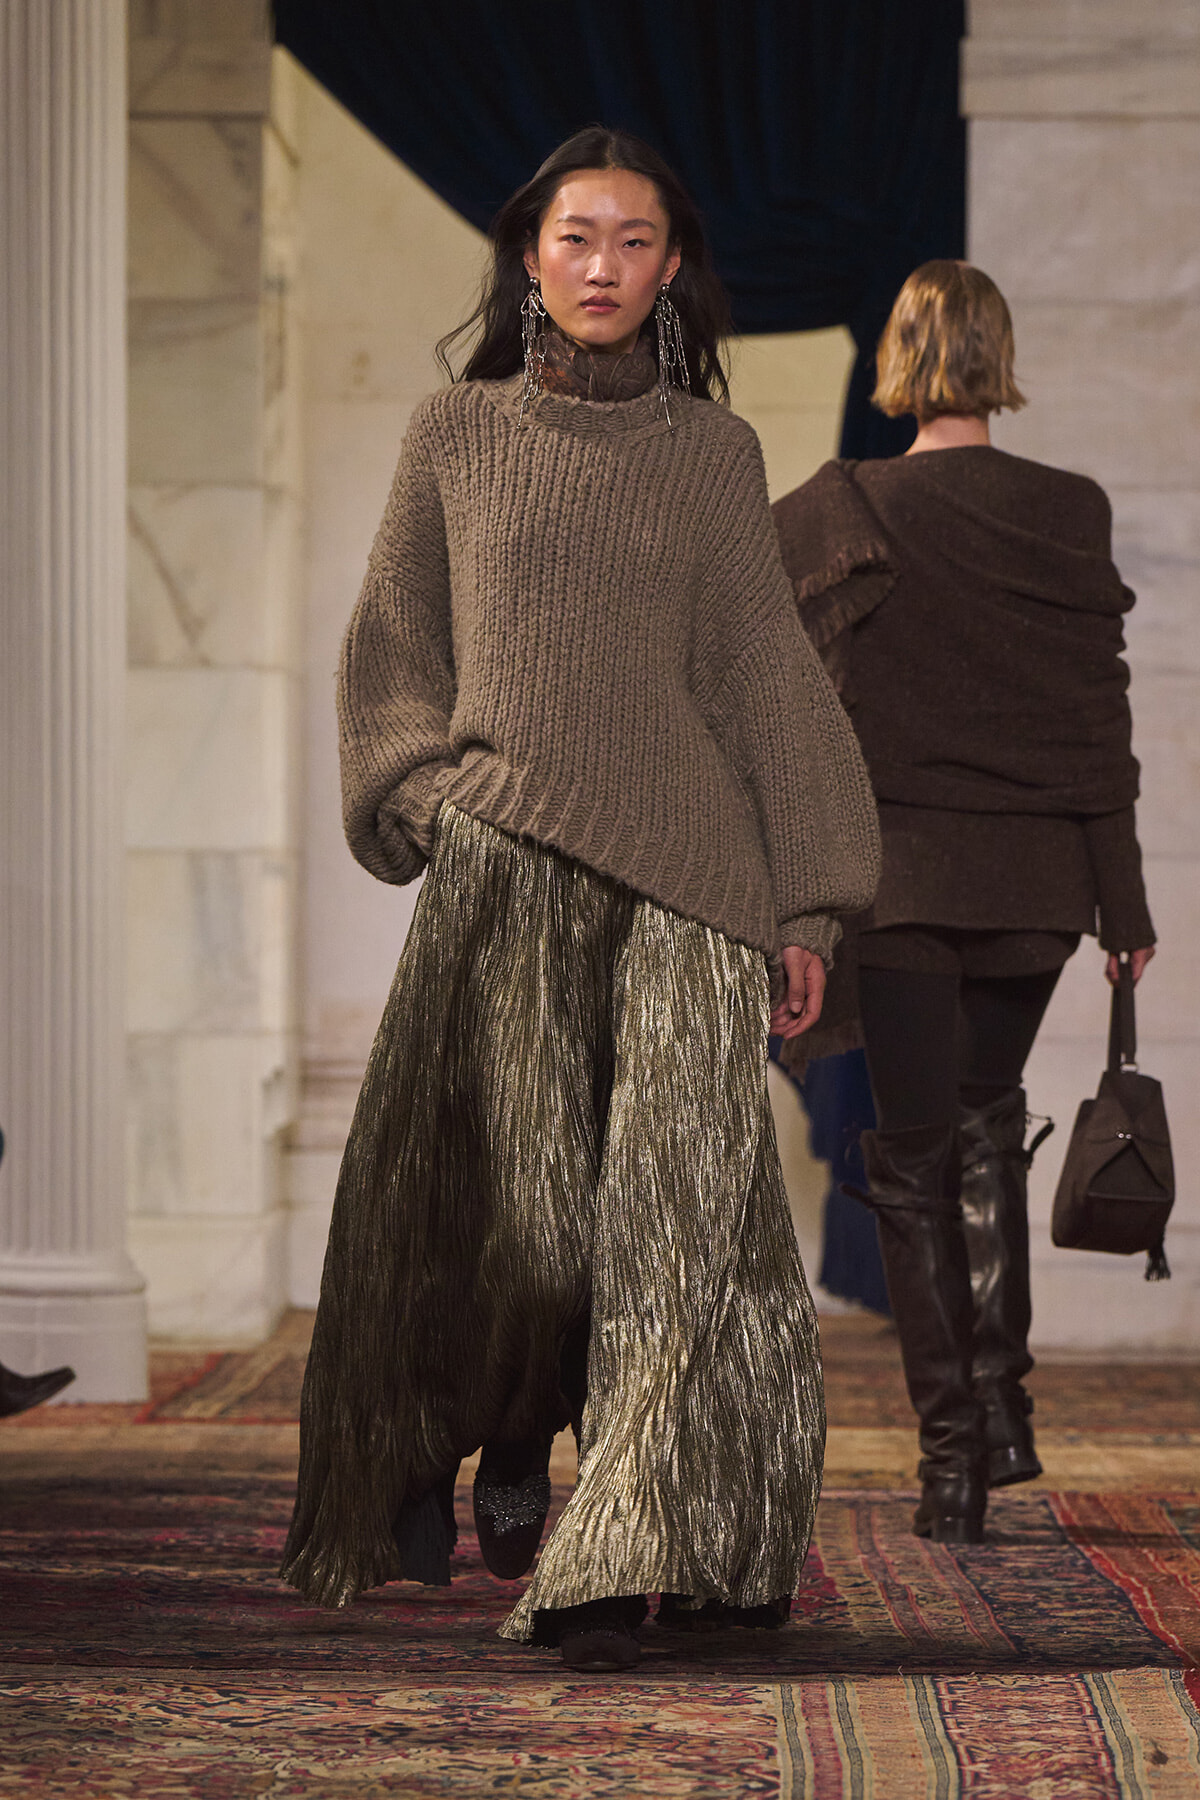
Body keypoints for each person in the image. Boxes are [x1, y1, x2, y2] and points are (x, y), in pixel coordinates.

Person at [280, 128, 880, 1670]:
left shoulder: (710, 454)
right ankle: (505, 1445)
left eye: (633, 242)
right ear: (527, 257)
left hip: (693, 880)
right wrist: (422, 798)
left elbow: (769, 683)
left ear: (673, 267)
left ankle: (642, 1549)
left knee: (680, 1232)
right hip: (508, 868)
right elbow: (391, 644)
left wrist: (808, 905)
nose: (602, 267)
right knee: (527, 1224)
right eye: (575, 239)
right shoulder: (455, 433)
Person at [773, 260, 1155, 1546]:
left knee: (922, 1153)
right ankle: (1002, 1415)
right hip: (1042, 884)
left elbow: (778, 689)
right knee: (987, 1131)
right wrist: (1126, 904)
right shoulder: (1072, 509)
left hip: (903, 881)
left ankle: (953, 1460)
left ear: (898, 357)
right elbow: (1101, 718)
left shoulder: (843, 508)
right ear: (998, 352)